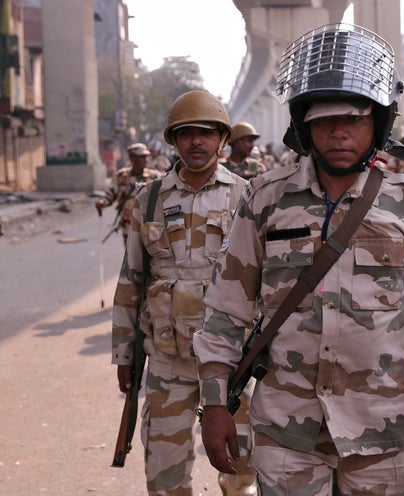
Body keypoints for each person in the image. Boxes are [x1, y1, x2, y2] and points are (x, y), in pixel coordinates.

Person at [193, 23, 404, 495]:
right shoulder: (265, 200)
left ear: (378, 122)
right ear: (304, 124)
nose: (338, 132)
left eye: (353, 118)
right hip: (287, 433)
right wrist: (213, 405)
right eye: (324, 119)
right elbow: (226, 309)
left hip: (381, 433)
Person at [110, 90, 256, 495]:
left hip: (232, 363)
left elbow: (265, 281)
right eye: (186, 133)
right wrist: (124, 353)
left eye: (206, 133)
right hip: (166, 361)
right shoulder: (149, 198)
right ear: (172, 141)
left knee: (242, 469)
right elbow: (130, 282)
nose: (196, 141)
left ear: (221, 140)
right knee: (165, 473)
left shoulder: (247, 196)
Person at [95, 142, 163, 246]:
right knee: (131, 256)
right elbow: (110, 193)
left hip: (150, 225)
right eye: (141, 157)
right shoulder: (121, 176)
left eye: (145, 157)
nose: (145, 160)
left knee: (152, 257)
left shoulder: (154, 177)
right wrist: (102, 202)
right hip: (129, 225)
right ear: (132, 158)